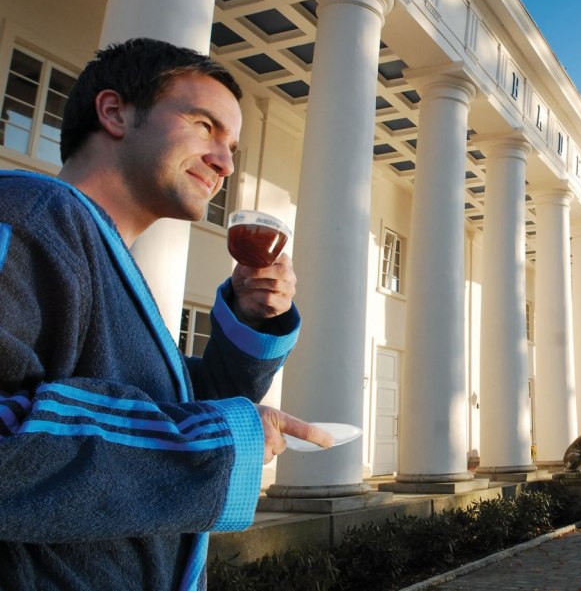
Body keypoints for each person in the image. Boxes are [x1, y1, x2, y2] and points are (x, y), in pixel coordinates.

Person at [0, 38, 332, 590]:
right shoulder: (29, 215)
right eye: (205, 125)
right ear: (115, 113)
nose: (225, 162)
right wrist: (213, 443)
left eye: (232, 145)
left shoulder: (97, 252)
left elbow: (173, 404)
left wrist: (250, 322)